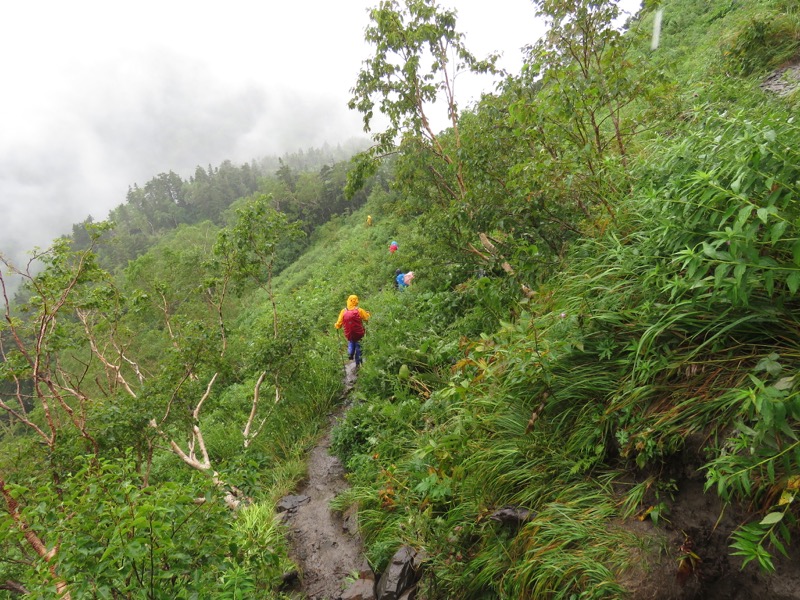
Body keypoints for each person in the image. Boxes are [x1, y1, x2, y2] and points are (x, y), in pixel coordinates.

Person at [334, 294, 371, 366]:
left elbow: (339, 323)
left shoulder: (343, 311)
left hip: (349, 334)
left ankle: (350, 353)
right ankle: (358, 363)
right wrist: (368, 314)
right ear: (356, 301)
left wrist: (337, 326)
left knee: (351, 342)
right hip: (359, 333)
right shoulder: (359, 310)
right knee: (359, 347)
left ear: (348, 301)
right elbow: (366, 318)